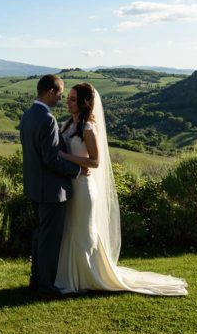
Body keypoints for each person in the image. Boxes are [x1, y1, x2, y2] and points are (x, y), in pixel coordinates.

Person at [55, 83, 187, 296]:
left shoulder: (88, 128)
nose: (68, 102)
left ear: (84, 102)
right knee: (72, 231)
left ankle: (88, 277)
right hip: (71, 186)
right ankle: (71, 276)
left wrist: (66, 157)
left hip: (84, 189)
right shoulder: (67, 125)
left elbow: (96, 161)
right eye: (68, 98)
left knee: (84, 233)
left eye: (72, 99)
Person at [19, 74, 84, 300]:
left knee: (39, 237)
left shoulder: (27, 115)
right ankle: (46, 287)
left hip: (35, 187)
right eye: (59, 94)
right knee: (49, 241)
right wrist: (76, 171)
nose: (60, 98)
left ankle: (36, 280)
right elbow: (51, 159)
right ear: (49, 91)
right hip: (51, 191)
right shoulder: (47, 119)